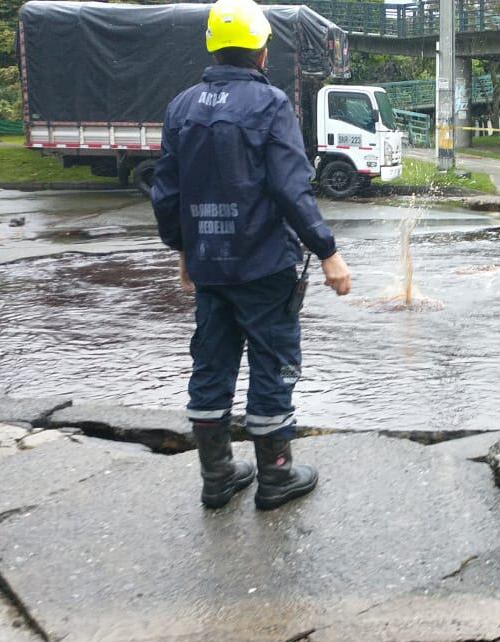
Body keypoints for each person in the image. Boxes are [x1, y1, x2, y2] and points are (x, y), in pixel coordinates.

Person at [150, 0, 351, 511]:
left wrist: (183, 251)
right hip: (265, 268)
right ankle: (276, 477)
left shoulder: (181, 107)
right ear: (262, 52)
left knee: (211, 365)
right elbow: (291, 187)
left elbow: (168, 193)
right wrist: (327, 251)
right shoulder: (270, 106)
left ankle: (217, 477)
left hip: (210, 267)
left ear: (213, 47)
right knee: (273, 363)